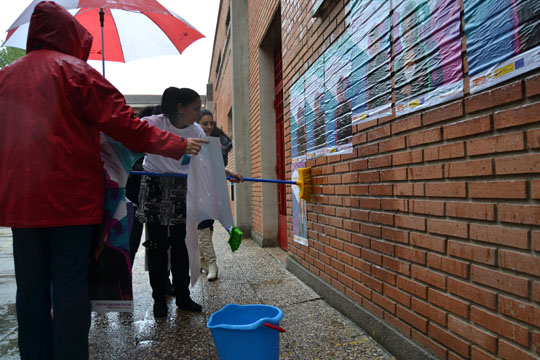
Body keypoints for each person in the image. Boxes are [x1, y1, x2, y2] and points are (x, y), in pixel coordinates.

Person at [0, 2, 207, 359]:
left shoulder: (5, 78)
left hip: (20, 203)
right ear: (71, 36)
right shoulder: (77, 73)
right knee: (69, 286)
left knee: (30, 290)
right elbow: (127, 127)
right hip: (71, 202)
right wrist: (178, 143)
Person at [196, 109, 242, 281]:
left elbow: (214, 167)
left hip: (212, 190)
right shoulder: (193, 142)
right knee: (202, 228)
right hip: (197, 191)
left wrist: (230, 173)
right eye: (204, 123)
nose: (209, 127)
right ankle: (212, 264)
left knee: (207, 227)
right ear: (197, 124)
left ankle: (203, 261)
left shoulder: (213, 143)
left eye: (211, 123)